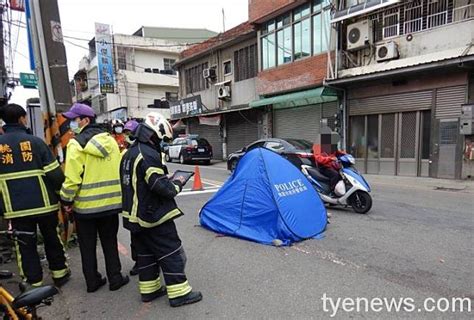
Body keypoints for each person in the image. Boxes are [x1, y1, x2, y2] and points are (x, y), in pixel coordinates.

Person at [120, 112, 202, 306]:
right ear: (155, 132)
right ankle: (179, 293)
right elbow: (162, 188)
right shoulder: (147, 154)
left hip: (134, 217)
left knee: (146, 254)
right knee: (170, 251)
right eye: (162, 139)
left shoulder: (130, 152)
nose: (162, 143)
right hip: (152, 215)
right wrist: (177, 183)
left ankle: (150, 290)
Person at [60, 103, 129, 293]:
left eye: (74, 120)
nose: (71, 123)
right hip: (111, 205)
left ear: (85, 120)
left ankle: (92, 281)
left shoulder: (76, 144)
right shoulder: (111, 142)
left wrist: (66, 201)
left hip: (85, 208)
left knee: (87, 246)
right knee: (109, 242)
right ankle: (115, 278)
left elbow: (72, 179)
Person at [0, 104, 70, 288]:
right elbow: (55, 174)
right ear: (22, 118)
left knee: (24, 244)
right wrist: (61, 196)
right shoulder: (35, 142)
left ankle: (35, 281)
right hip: (44, 204)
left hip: (16, 209)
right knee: (51, 238)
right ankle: (60, 274)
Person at [122, 119, 140, 276]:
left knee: (142, 235)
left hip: (140, 203)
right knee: (134, 235)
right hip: (129, 202)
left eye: (130, 133)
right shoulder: (124, 153)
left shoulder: (143, 152)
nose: (127, 136)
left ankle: (145, 262)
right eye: (126, 133)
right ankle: (138, 262)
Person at [313, 128, 345, 194]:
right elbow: (319, 159)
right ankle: (332, 192)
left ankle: (340, 190)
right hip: (323, 166)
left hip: (332, 165)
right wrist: (330, 159)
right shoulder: (317, 146)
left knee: (343, 174)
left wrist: (345, 154)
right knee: (335, 175)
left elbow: (336, 152)